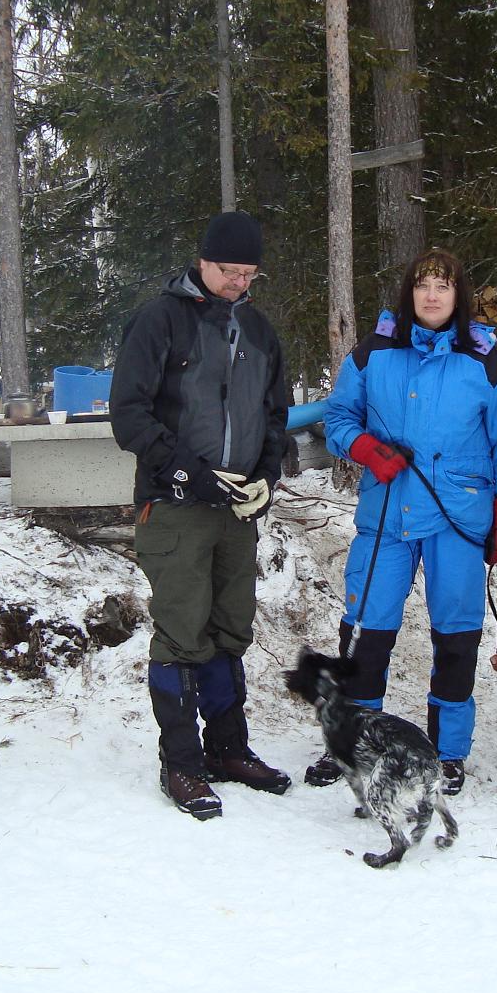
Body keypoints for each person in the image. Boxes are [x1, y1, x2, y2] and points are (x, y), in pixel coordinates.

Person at [313, 248, 497, 796]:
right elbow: (338, 417)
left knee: (456, 636)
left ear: (459, 296)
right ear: (409, 293)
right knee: (366, 630)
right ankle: (354, 743)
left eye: (443, 286)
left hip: (458, 519)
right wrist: (366, 448)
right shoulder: (373, 353)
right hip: (387, 513)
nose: (432, 296)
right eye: (423, 285)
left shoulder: (487, 365)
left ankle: (448, 751)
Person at [110, 210, 291, 819]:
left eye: (249, 274)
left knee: (230, 627)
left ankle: (228, 748)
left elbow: (275, 414)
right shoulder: (159, 320)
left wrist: (266, 475)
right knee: (183, 631)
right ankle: (182, 763)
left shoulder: (259, 330)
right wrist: (189, 471)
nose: (239, 283)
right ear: (204, 261)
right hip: (176, 505)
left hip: (237, 510)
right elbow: (129, 415)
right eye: (229, 271)